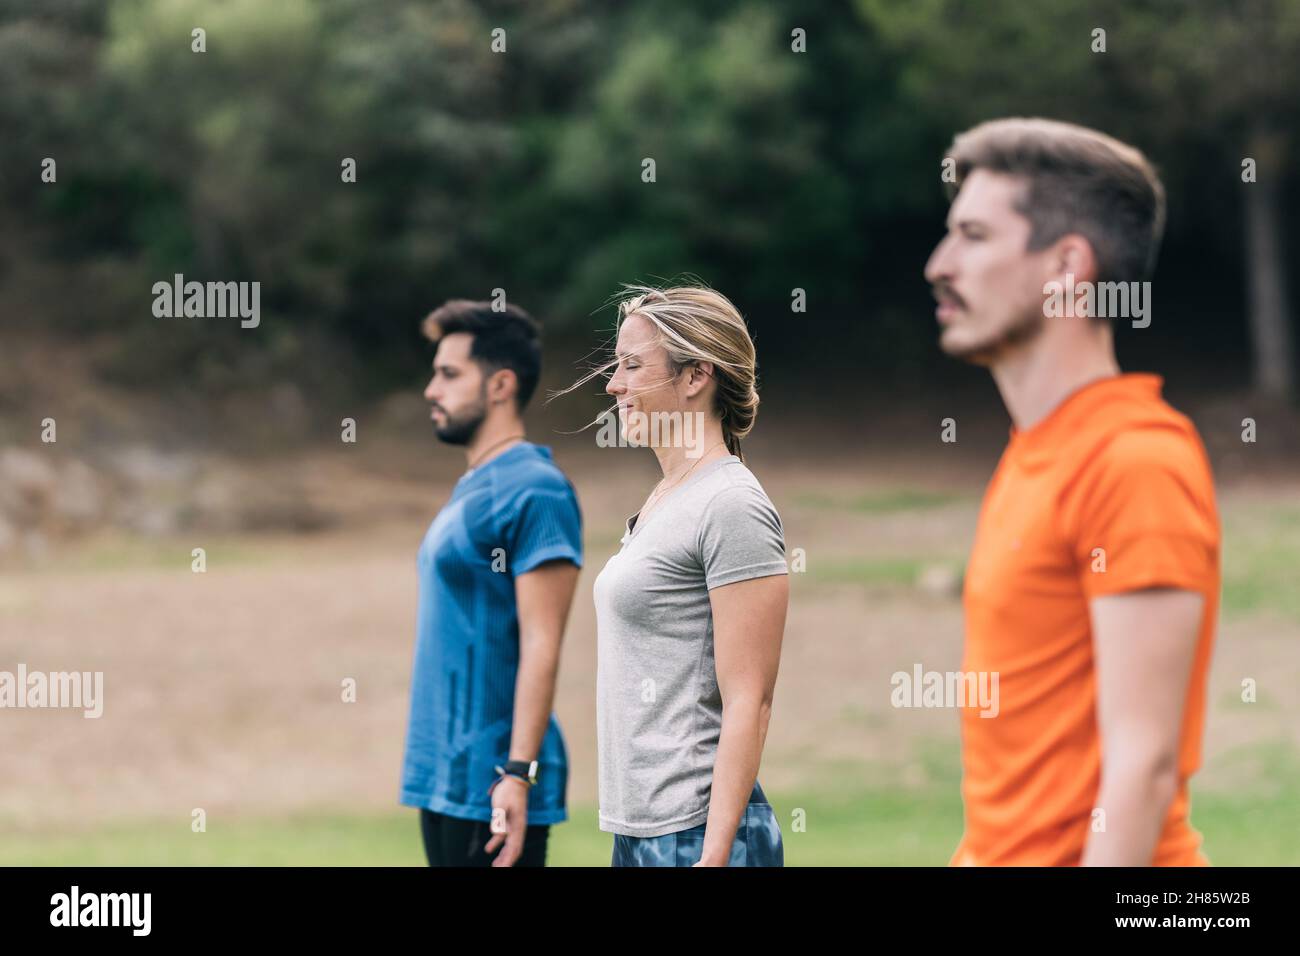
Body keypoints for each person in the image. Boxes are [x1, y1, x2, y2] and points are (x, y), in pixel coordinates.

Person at [924, 118, 1221, 865]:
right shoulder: (1035, 453)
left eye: (974, 236)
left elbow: (1142, 769)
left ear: (1066, 266)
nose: (939, 263)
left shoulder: (1135, 462)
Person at [567, 284, 789, 866]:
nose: (613, 385)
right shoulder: (670, 497)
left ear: (696, 377)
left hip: (694, 834)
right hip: (644, 831)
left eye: (632, 366)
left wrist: (714, 857)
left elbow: (751, 699)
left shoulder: (730, 504)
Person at [399, 299, 583, 867]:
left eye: (449, 374)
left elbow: (542, 641)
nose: (432, 390)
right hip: (444, 778)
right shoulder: (476, 486)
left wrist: (517, 775)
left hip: (493, 785)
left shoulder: (537, 490)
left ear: (501, 384)